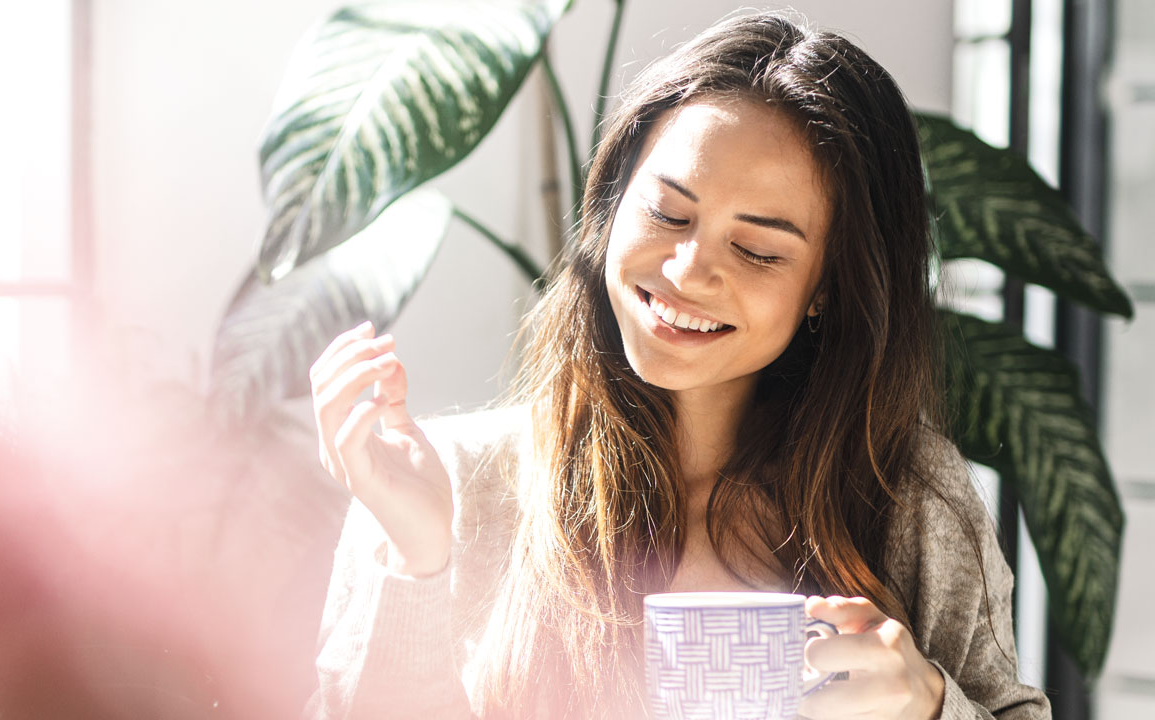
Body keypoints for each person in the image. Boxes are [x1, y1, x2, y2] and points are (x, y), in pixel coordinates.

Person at [305, 12, 1050, 720]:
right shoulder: (455, 481)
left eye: (758, 250)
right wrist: (417, 562)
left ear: (827, 287)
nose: (688, 270)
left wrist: (925, 699)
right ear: (609, 206)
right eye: (666, 212)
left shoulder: (906, 494)